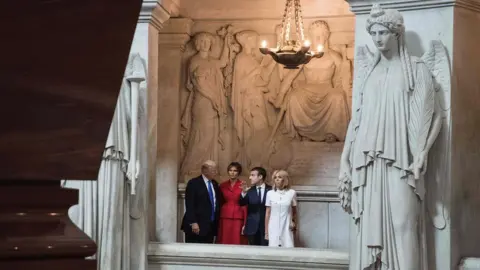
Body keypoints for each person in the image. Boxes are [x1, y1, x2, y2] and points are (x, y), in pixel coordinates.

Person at [338, 5, 442, 269]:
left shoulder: (415, 69)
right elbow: (356, 121)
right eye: (373, 33)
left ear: (397, 33)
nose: (377, 38)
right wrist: (344, 161)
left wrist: (422, 151)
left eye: (383, 32)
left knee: (403, 224)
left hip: (401, 162)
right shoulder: (369, 73)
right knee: (366, 230)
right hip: (368, 163)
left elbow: (435, 116)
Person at [181, 160, 223, 243]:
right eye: (213, 170)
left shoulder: (214, 184)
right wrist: (193, 222)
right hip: (196, 226)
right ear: (205, 170)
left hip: (210, 226)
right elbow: (189, 204)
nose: (216, 172)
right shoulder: (194, 183)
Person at [217, 162, 248, 245]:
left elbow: (245, 203)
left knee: (237, 240)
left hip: (238, 215)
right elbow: (219, 201)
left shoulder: (243, 185)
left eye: (235, 170)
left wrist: (245, 222)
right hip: (225, 215)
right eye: (230, 170)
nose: (232, 172)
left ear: (239, 172)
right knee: (225, 239)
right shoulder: (222, 185)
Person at [239, 167, 271, 246]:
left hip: (267, 227)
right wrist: (243, 192)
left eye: (253, 175)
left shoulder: (271, 190)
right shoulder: (249, 190)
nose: (250, 177)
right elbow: (242, 203)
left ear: (260, 177)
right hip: (252, 227)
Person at [264, 170, 297, 248]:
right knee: (273, 247)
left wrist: (294, 222)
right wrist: (266, 232)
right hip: (273, 225)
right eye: (275, 177)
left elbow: (294, 211)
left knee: (288, 246)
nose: (277, 179)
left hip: (287, 224)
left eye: (279, 177)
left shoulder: (292, 193)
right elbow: (267, 213)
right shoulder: (270, 193)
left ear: (285, 179)